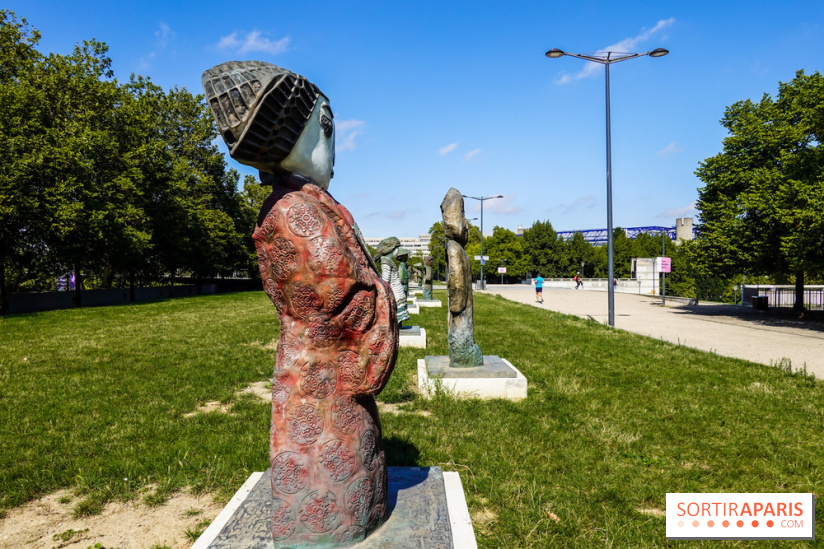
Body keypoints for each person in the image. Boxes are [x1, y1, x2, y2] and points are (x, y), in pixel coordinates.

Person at [203, 61, 396, 546]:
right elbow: (338, 295)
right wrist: (381, 294)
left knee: (343, 463)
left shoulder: (297, 203)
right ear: (292, 133)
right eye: (326, 128)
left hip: (320, 375)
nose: (335, 152)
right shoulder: (296, 211)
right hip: (322, 378)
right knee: (327, 476)